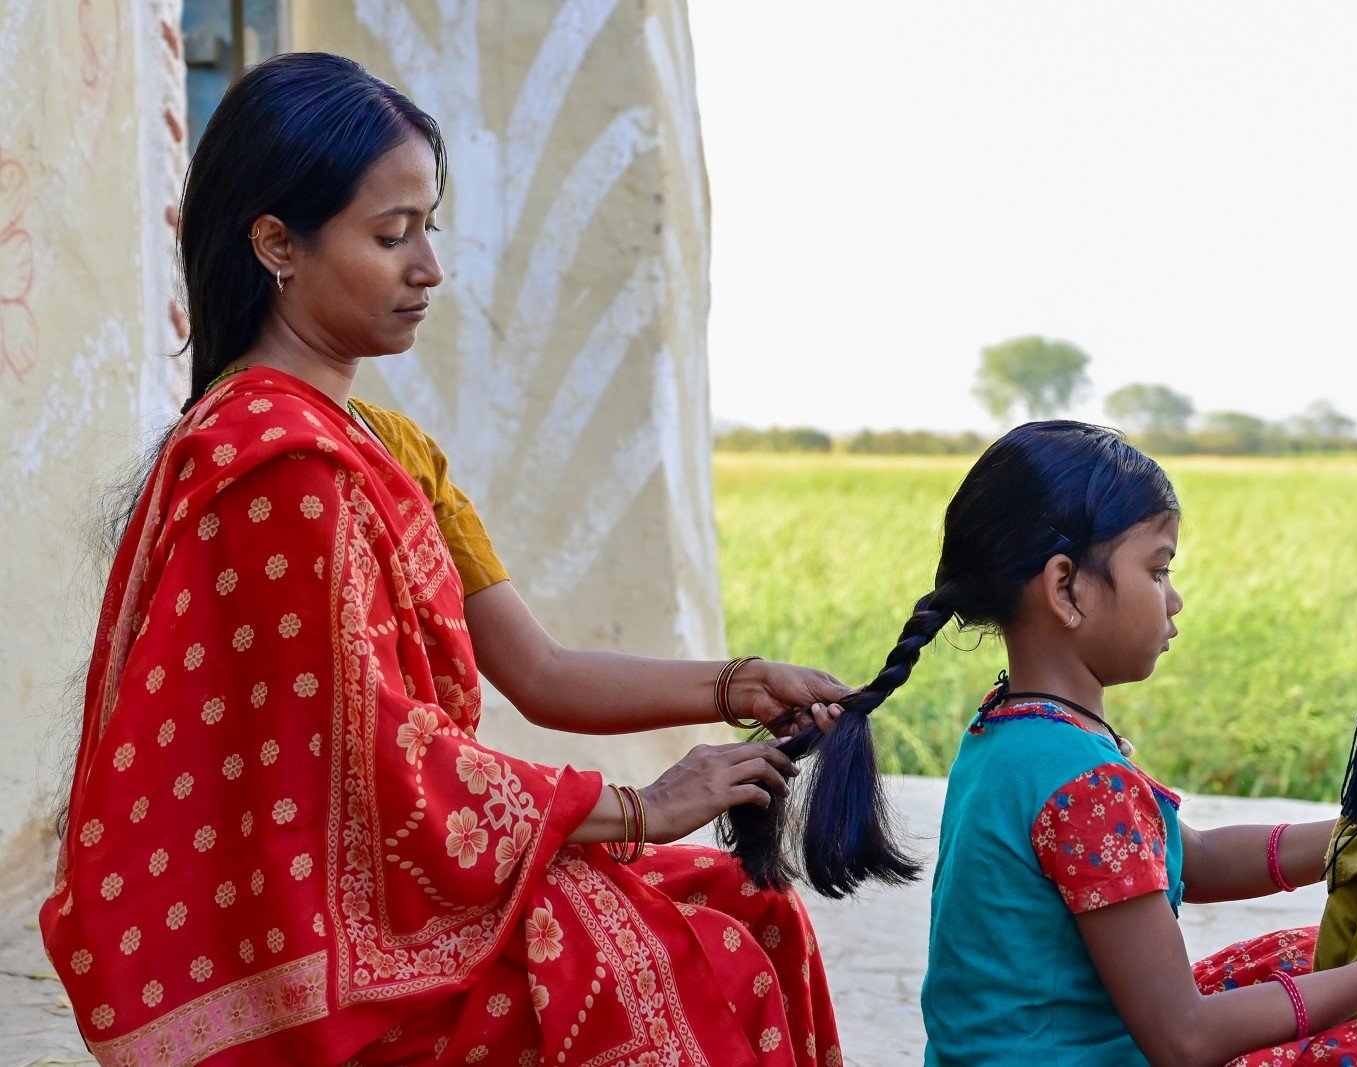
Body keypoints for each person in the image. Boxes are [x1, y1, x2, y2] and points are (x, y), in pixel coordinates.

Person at [42, 52, 848, 1066]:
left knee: (747, 910)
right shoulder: (277, 467)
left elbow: (541, 670)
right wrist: (643, 806)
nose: (429, 265)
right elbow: (384, 760)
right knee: (703, 959)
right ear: (276, 244)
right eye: (393, 234)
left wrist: (737, 682)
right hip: (323, 956)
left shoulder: (385, 447)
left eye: (429, 225)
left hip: (405, 906)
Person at [733, 421, 1357, 1065]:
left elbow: (1182, 852)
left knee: (1299, 956)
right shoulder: (1082, 780)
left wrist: (1353, 838)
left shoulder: (1015, 729)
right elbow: (1182, 1038)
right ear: (1065, 588)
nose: (1175, 596)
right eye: (1157, 569)